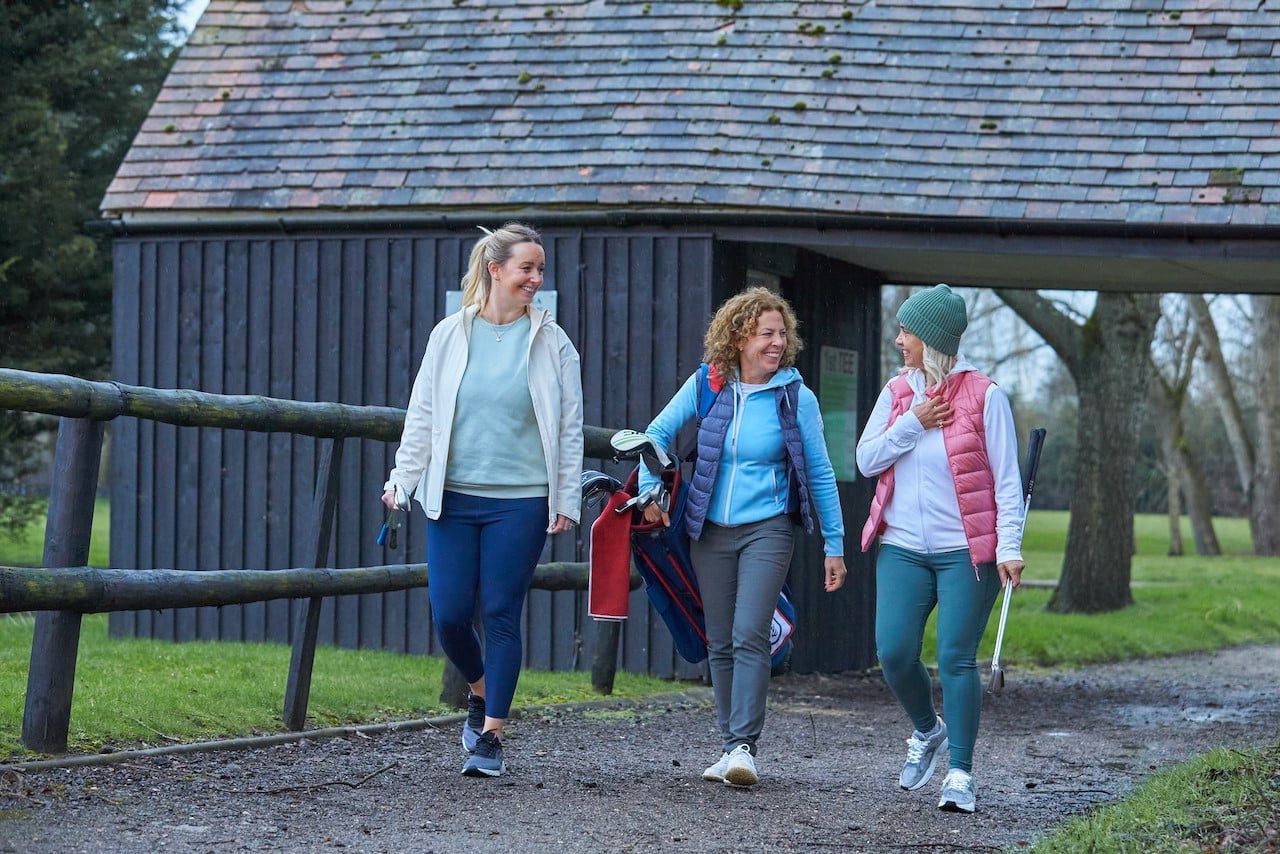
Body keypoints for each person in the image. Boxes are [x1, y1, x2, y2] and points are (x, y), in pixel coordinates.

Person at [382, 222, 584, 779]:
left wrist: (566, 496)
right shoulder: (449, 335)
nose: (536, 279)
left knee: (499, 612)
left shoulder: (553, 342)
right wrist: (403, 479)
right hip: (451, 495)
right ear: (495, 270)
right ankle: (480, 690)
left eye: (540, 270)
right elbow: (422, 414)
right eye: (527, 268)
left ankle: (491, 736)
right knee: (448, 615)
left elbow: (569, 427)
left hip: (519, 501)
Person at [639, 286, 847, 788]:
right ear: (738, 338)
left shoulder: (797, 397)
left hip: (768, 529)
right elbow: (656, 435)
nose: (777, 343)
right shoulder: (707, 385)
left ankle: (744, 747)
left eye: (782, 334)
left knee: (751, 631)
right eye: (765, 334)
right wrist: (650, 491)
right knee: (719, 639)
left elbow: (820, 472)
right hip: (708, 529)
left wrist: (834, 544)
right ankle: (730, 742)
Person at [855, 283, 1024, 814]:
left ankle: (961, 773)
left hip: (965, 553)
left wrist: (1009, 548)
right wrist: (913, 423)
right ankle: (928, 731)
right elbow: (866, 460)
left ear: (930, 339)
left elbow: (1008, 483)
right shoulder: (898, 393)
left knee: (954, 657)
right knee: (894, 653)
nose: (899, 339)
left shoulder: (985, 395)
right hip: (902, 547)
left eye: (906, 331)